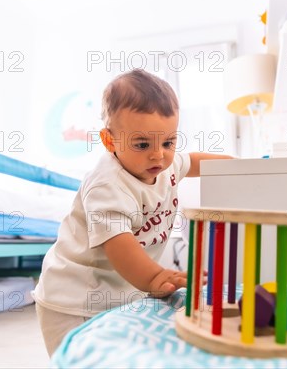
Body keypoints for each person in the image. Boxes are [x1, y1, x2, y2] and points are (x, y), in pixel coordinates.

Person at [32, 69, 233, 356]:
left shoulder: (166, 163)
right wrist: (154, 278)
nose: (159, 155)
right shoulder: (107, 185)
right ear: (109, 141)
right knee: (83, 357)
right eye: (142, 144)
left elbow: (195, 162)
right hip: (74, 296)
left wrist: (238, 166)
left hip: (121, 288)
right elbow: (120, 245)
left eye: (168, 142)